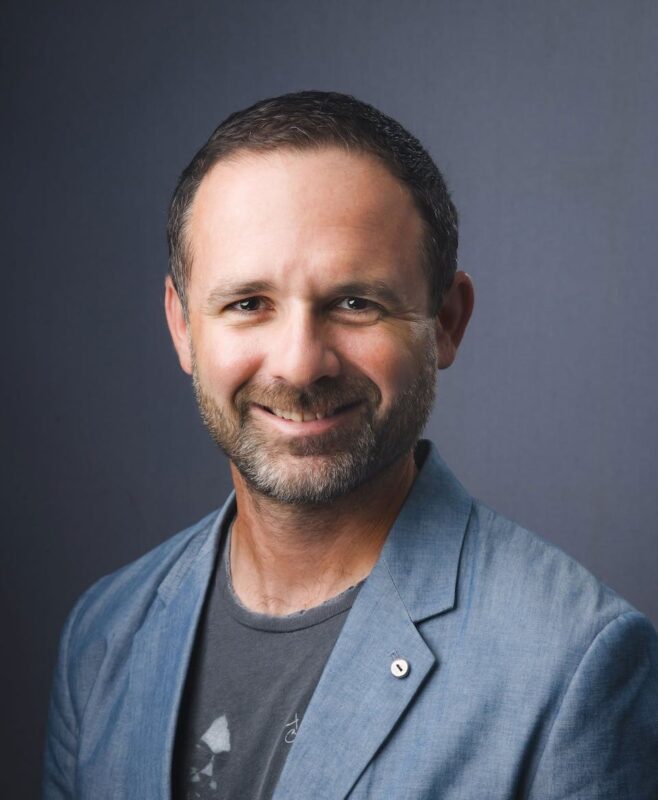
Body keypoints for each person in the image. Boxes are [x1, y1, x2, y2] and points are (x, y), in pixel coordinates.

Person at [43, 91, 658, 800]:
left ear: (447, 322)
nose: (300, 365)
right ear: (183, 327)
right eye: (248, 304)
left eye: (355, 303)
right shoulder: (103, 637)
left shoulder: (574, 666)